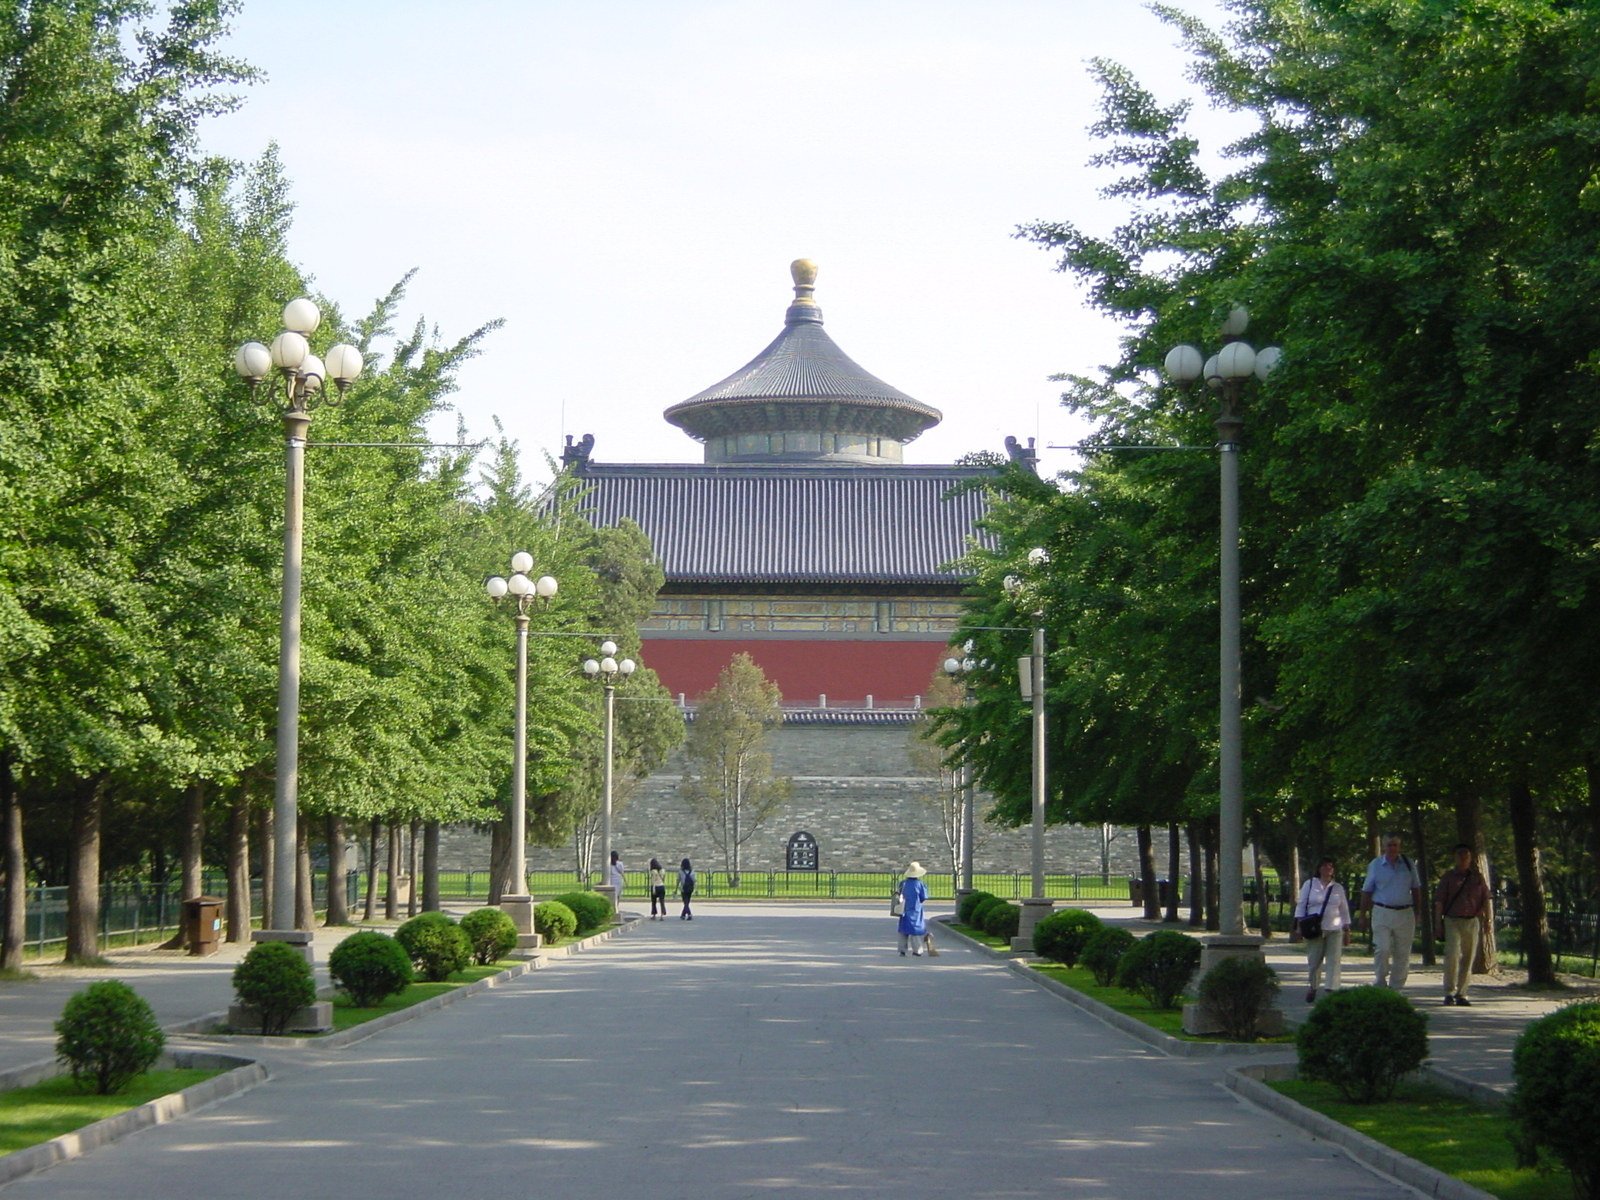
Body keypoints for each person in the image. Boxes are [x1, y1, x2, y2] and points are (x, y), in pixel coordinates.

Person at [1361, 833, 1422, 990]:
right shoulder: (1375, 865)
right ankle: (1380, 981)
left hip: (1405, 913)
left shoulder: (1408, 864)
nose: (1392, 848)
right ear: (1383, 846)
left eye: (1395, 845)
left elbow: (1416, 888)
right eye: (1389, 845)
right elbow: (1366, 890)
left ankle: (1396, 988)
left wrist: (1418, 911)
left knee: (1402, 954)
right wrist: (1362, 915)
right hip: (1382, 911)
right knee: (1383, 948)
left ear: (1399, 847)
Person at [1435, 843, 1491, 1006]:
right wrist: (1438, 923)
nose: (1464, 857)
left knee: (1469, 956)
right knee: (1452, 955)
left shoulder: (1477, 877)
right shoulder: (1448, 877)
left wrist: (1488, 920)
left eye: (1467, 854)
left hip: (1472, 920)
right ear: (1455, 857)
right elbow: (1439, 901)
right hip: (1452, 920)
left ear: (1471, 857)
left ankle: (1462, 993)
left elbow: (1486, 899)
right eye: (1460, 854)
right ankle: (1448, 992)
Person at [1294, 857, 1351, 1002]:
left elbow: (1343, 909)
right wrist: (1299, 926)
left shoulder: (1337, 887)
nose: (1328, 868)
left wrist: (1347, 929)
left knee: (1334, 960)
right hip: (1315, 928)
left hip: (1335, 928)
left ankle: (1331, 989)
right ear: (1319, 868)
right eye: (1325, 865)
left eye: (1331, 866)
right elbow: (1301, 905)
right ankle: (1313, 986)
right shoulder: (1310, 884)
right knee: (1314, 960)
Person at [896, 862, 929, 956]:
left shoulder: (903, 883)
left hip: (903, 909)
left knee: (903, 929)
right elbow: (923, 897)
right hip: (915, 909)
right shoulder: (920, 884)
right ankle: (917, 950)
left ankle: (902, 949)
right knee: (915, 929)